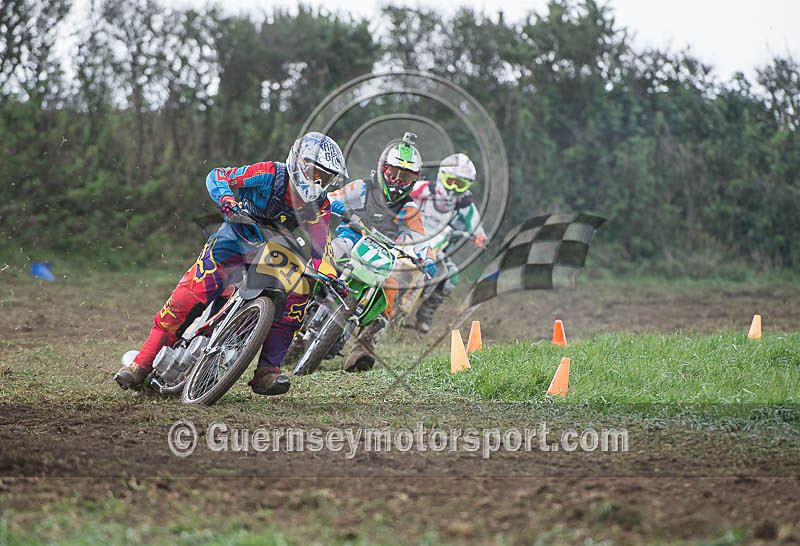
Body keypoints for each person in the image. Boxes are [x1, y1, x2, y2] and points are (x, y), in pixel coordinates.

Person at [114, 132, 347, 396]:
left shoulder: (320, 204)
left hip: (277, 250)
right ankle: (140, 365)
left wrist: (330, 277)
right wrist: (226, 198)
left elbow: (321, 245)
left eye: (326, 178)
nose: (318, 182)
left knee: (300, 293)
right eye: (316, 173)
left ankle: (268, 371)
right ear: (299, 162)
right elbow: (218, 175)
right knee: (189, 294)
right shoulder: (270, 173)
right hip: (237, 235)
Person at [326, 132, 437, 371]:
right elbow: (330, 197)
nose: (397, 181)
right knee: (330, 254)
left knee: (390, 290)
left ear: (415, 179)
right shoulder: (362, 187)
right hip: (351, 238)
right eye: (393, 173)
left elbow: (421, 239)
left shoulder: (409, 208)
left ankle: (363, 350)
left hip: (382, 254)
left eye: (405, 177)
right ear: (382, 168)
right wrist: (336, 205)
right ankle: (297, 310)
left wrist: (428, 258)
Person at [409, 153, 488, 334]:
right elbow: (399, 197)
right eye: (450, 181)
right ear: (441, 176)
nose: (453, 188)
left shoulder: (465, 205)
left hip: (438, 249)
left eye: (459, 184)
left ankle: (426, 313)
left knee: (451, 277)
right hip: (408, 238)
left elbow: (477, 227)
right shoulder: (423, 189)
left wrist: (480, 238)